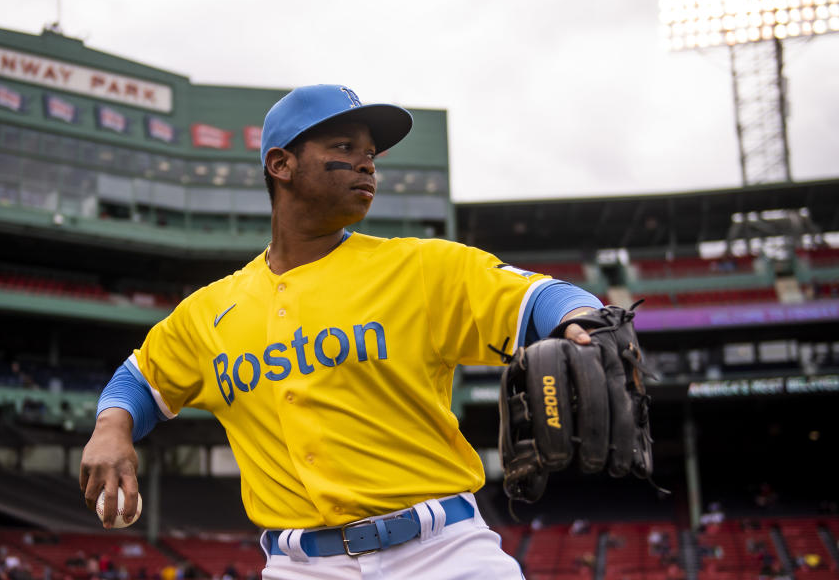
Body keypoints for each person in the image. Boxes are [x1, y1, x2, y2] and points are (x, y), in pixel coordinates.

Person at [80, 84, 605, 579]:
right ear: (280, 164)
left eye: (372, 153)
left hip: (443, 551)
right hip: (298, 564)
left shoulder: (419, 267)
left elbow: (542, 296)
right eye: (344, 146)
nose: (366, 163)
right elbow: (138, 381)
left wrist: (581, 321)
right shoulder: (210, 310)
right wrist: (111, 429)